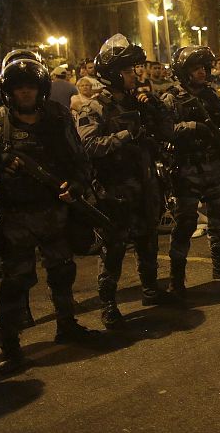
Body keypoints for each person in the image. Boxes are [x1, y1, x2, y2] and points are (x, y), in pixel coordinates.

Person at [0, 58, 100, 371]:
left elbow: (79, 158)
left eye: (31, 87)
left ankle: (66, 324)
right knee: (16, 280)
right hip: (16, 216)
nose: (25, 93)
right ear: (9, 91)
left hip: (53, 210)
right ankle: (10, 344)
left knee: (62, 269)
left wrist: (76, 185)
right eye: (19, 88)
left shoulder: (57, 117)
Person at [76, 34, 174, 329]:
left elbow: (164, 131)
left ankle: (150, 289)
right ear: (114, 73)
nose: (136, 75)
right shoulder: (95, 107)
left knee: (148, 240)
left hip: (144, 183)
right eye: (130, 70)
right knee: (114, 249)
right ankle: (108, 305)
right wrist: (125, 136)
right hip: (114, 189)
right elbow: (88, 146)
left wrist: (155, 108)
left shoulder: (139, 102)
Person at [162, 46, 220, 299]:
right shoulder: (172, 99)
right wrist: (194, 127)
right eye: (196, 68)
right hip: (187, 168)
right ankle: (176, 279)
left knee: (218, 216)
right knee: (186, 223)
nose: (202, 72)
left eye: (204, 68)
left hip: (214, 165)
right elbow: (165, 130)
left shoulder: (211, 96)